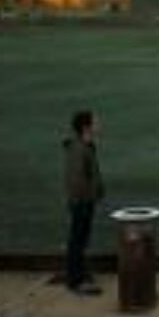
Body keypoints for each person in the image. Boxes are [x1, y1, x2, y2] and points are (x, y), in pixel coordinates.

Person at [63, 109, 104, 296]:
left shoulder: (84, 146)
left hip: (84, 201)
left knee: (80, 240)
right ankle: (76, 280)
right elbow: (77, 178)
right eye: (96, 122)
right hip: (82, 202)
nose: (100, 124)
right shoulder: (80, 149)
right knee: (77, 241)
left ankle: (80, 275)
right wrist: (88, 196)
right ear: (86, 127)